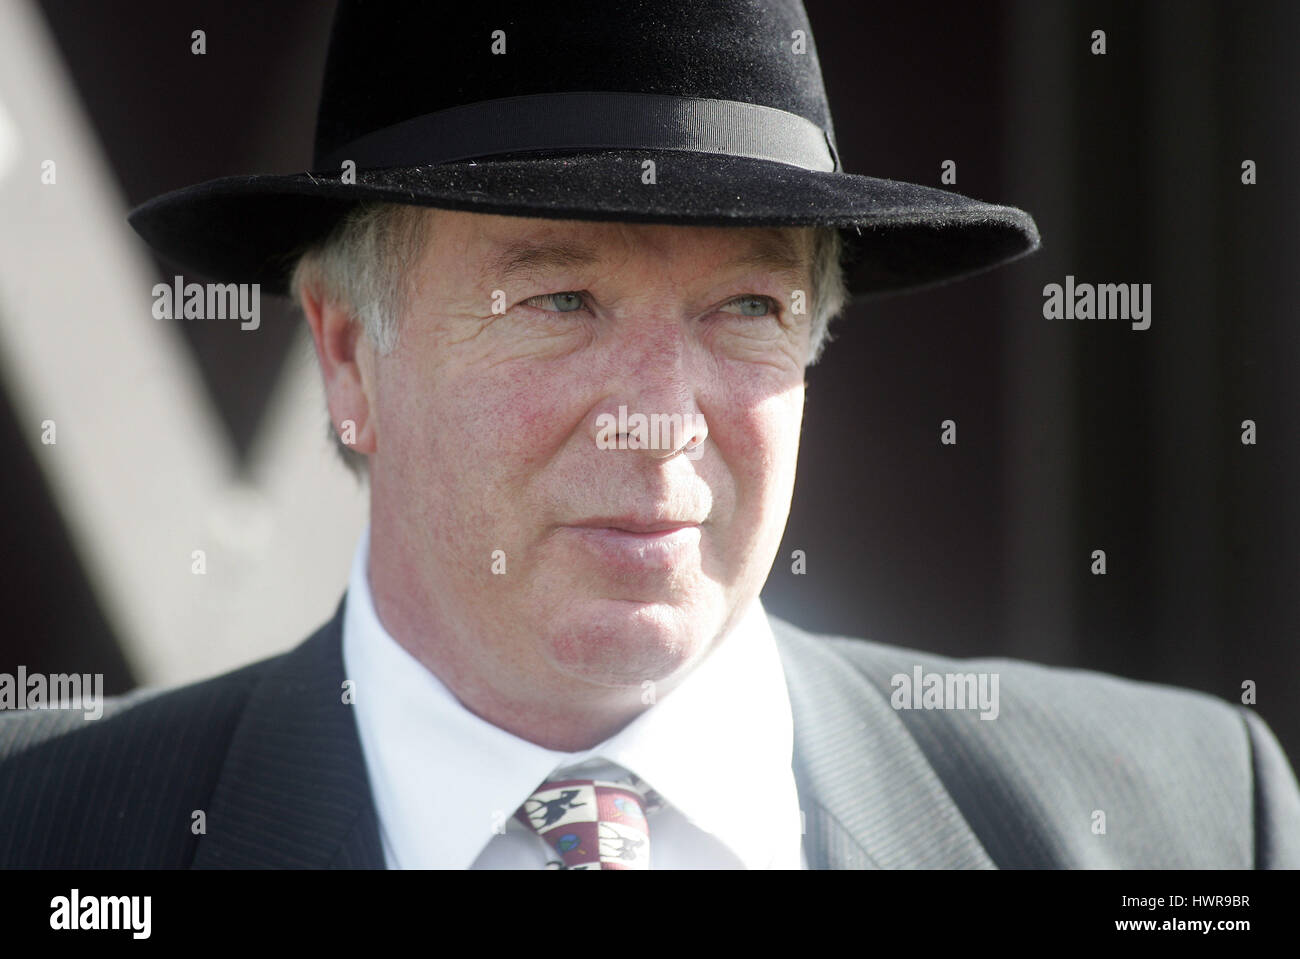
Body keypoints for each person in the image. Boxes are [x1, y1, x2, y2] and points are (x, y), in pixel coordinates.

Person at [2, 0, 1296, 869]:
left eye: (746, 305)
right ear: (349, 354)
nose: (660, 417)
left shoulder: (1175, 825)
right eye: (561, 300)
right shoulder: (53, 838)